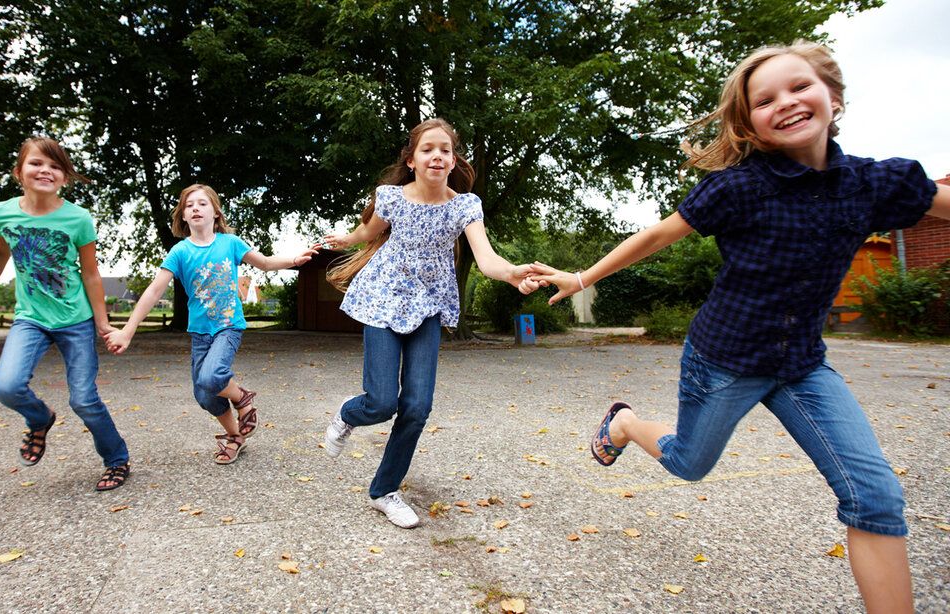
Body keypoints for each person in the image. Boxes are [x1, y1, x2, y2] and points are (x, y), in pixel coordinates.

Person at [530, 41, 950, 613]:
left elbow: (939, 201)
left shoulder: (872, 183)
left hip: (802, 366)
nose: (786, 102)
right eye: (765, 99)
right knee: (689, 463)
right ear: (750, 123)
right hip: (724, 361)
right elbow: (657, 235)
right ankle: (625, 423)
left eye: (799, 86)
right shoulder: (739, 187)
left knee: (876, 498)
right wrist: (581, 277)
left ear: (833, 96)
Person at [321, 118, 540, 528]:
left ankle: (384, 491)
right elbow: (369, 230)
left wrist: (512, 274)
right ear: (412, 160)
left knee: (417, 407)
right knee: (381, 403)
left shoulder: (465, 206)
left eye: (445, 150)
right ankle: (349, 414)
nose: (437, 155)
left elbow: (487, 258)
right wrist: (345, 239)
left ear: (453, 161)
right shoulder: (391, 197)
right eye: (427, 149)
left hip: (428, 305)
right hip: (383, 299)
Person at [0, 136, 131, 491]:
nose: (45, 171)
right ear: (19, 172)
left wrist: (101, 322)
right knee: (7, 386)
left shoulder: (78, 218)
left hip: (75, 319)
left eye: (55, 166)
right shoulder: (1, 214)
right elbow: (0, 253)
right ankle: (40, 418)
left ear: (65, 177)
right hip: (31, 318)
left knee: (84, 400)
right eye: (36, 163)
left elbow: (91, 274)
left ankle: (117, 459)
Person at [104, 184, 316, 464]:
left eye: (202, 203)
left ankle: (243, 398)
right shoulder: (180, 252)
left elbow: (264, 263)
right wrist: (128, 330)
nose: (195, 208)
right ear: (183, 215)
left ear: (215, 212)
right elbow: (154, 291)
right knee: (204, 395)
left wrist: (294, 260)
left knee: (211, 377)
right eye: (189, 205)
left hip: (228, 326)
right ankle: (236, 437)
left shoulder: (230, 243)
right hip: (200, 333)